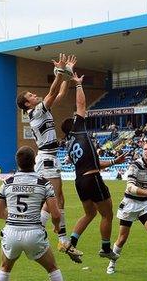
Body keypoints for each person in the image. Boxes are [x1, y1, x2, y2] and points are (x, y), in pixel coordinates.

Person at [16, 53, 80, 260]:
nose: (36, 96)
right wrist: (60, 73)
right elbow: (53, 91)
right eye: (32, 96)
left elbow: (60, 93)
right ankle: (50, 236)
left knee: (57, 198)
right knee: (54, 199)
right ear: (27, 104)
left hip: (51, 157)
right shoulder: (36, 112)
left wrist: (67, 75)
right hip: (47, 158)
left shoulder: (42, 110)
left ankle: (57, 237)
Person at [59, 72, 127, 263]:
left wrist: (115, 162)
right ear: (72, 125)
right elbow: (81, 105)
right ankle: (106, 248)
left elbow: (94, 164)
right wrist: (78, 84)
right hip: (92, 179)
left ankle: (71, 243)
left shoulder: (69, 144)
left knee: (89, 213)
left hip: (80, 180)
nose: (77, 117)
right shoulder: (78, 128)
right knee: (107, 214)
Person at [0, 146, 64, 281]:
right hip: (34, 233)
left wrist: (17, 217)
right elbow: (55, 214)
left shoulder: (7, 183)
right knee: (52, 268)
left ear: (17, 162)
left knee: (4, 268)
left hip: (11, 233)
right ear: (35, 162)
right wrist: (56, 227)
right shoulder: (44, 183)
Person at [106, 141, 147, 276]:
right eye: (145, 149)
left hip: (145, 204)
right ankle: (112, 263)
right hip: (130, 203)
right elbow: (130, 187)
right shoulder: (135, 165)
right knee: (122, 238)